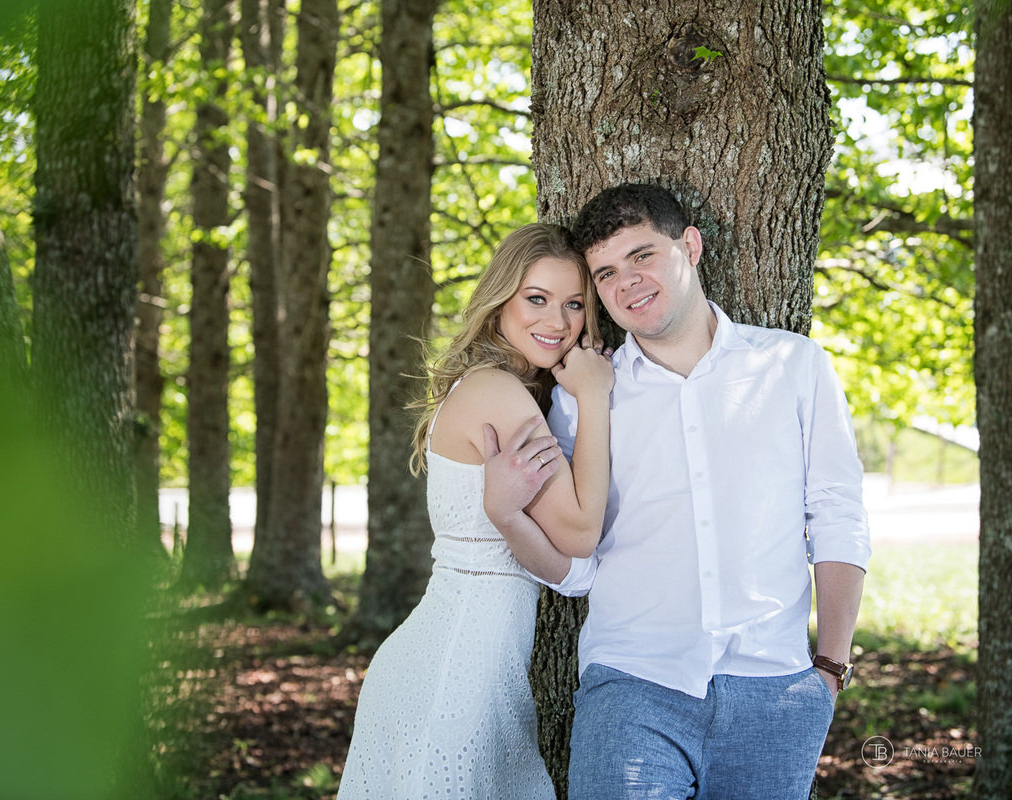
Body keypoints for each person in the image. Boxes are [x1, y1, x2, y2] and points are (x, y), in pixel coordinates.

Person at [483, 184, 872, 800]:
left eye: (642, 256)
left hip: (775, 689)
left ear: (689, 247)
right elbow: (576, 565)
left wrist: (828, 668)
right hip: (632, 687)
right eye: (606, 272)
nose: (627, 282)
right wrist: (508, 519)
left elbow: (838, 514)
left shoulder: (793, 365)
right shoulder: (583, 397)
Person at [338, 223, 616, 799]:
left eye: (574, 305)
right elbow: (583, 531)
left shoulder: (499, 387)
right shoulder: (496, 391)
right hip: (454, 671)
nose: (558, 323)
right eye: (536, 299)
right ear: (499, 304)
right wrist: (594, 397)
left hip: (473, 666)